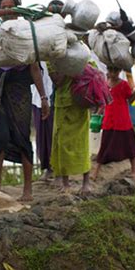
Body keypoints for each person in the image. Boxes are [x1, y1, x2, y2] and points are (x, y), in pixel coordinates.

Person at [0, 0, 50, 201]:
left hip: (21, 91)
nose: (8, 11)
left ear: (18, 11)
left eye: (11, 7)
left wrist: (44, 98)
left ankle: (28, 189)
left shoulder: (26, 35)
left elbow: (35, 69)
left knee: (22, 137)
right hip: (0, 88)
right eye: (3, 8)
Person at [47, 59, 92, 195]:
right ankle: (66, 183)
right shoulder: (51, 60)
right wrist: (69, 67)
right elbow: (58, 81)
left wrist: (78, 65)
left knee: (82, 143)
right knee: (63, 144)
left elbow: (91, 71)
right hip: (63, 105)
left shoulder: (81, 53)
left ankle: (86, 183)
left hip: (80, 103)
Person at [30, 0, 62, 181]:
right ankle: (48, 168)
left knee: (57, 130)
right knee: (42, 132)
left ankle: (59, 167)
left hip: (57, 90)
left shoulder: (59, 35)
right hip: (38, 92)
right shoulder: (34, 37)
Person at [91, 67, 135, 180]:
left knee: (129, 146)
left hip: (123, 120)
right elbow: (103, 102)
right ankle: (96, 172)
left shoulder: (124, 84)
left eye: (116, 71)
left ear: (119, 71)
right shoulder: (105, 84)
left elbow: (131, 100)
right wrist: (98, 114)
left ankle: (134, 169)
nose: (114, 73)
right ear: (108, 70)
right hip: (109, 120)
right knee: (104, 145)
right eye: (111, 71)